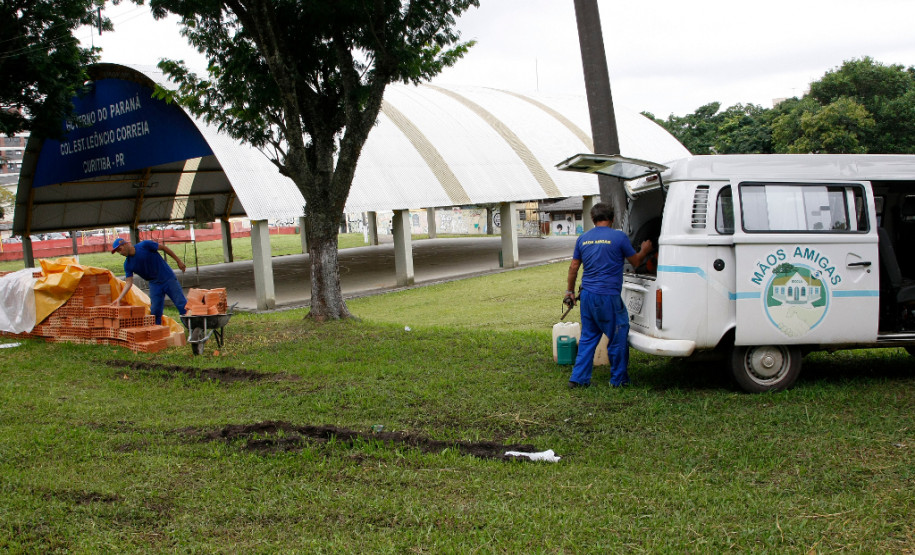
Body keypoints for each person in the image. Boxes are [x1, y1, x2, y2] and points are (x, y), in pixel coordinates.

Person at [564, 203, 652, 388]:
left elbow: (573, 267)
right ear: (612, 219)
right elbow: (635, 262)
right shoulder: (618, 237)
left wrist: (569, 292)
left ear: (593, 219)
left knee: (588, 336)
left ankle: (578, 379)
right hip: (608, 296)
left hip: (587, 295)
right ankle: (619, 380)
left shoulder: (583, 238)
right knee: (618, 335)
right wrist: (645, 249)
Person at [111, 237, 188, 325]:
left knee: (181, 304)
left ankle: (192, 328)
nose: (120, 253)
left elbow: (163, 248)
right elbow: (129, 283)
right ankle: (158, 332)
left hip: (168, 278)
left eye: (120, 249)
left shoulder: (145, 245)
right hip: (154, 284)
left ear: (125, 244)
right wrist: (119, 298)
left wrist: (178, 261)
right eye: (118, 252)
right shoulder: (128, 264)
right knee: (155, 311)